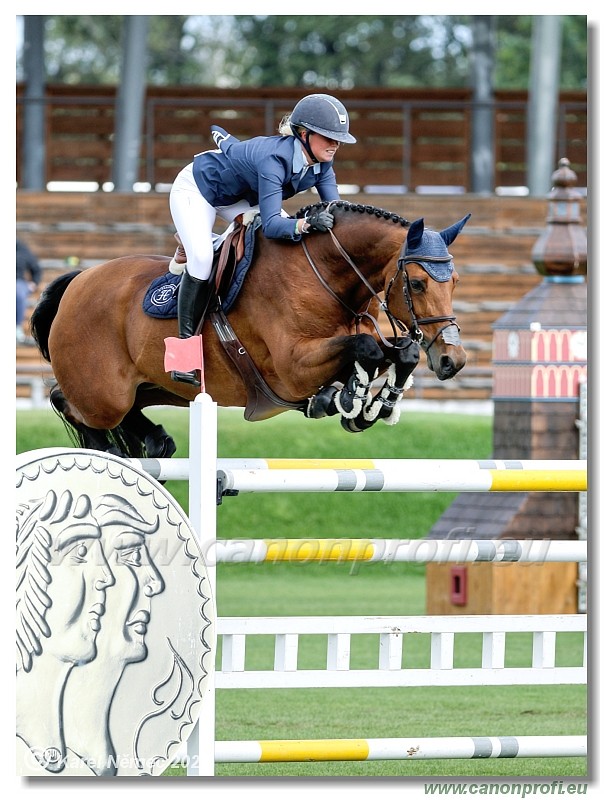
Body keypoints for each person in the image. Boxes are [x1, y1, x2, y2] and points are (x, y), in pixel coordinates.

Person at [168, 93, 356, 384]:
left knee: (279, 245)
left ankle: (199, 244)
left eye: (339, 138)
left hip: (240, 197)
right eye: (328, 137)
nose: (336, 144)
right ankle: (183, 356)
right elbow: (272, 225)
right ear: (304, 135)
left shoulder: (322, 164)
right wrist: (306, 223)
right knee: (203, 261)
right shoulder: (274, 160)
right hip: (199, 189)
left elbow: (338, 212)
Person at [16, 238, 41, 344]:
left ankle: (16, 327)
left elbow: (36, 268)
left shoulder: (22, 250)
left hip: (17, 281)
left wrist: (34, 282)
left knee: (18, 293)